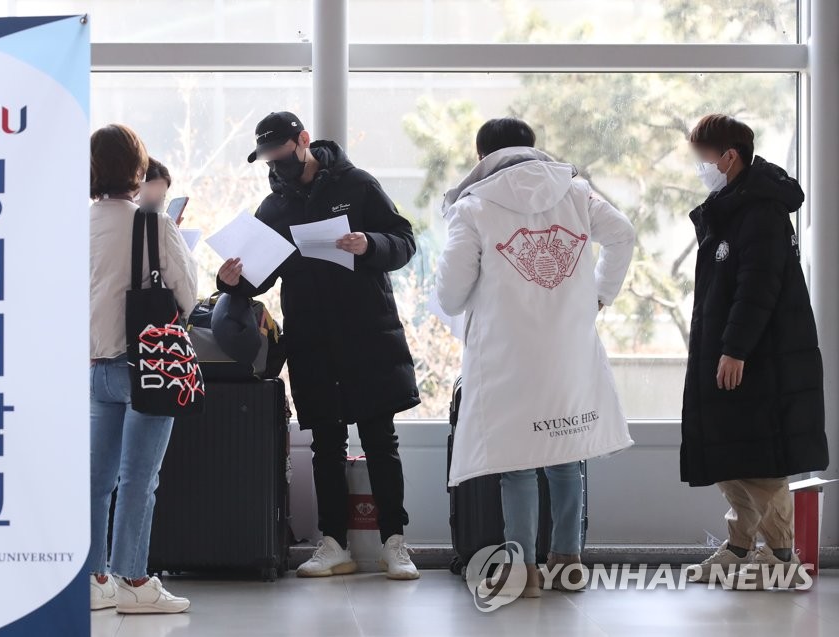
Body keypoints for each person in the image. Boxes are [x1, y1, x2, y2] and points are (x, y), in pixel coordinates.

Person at [217, 112, 421, 580]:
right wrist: (229, 281)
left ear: (303, 141)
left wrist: (369, 243)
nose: (275, 163)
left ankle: (395, 543)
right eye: (267, 157)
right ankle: (333, 544)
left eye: (280, 152)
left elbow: (405, 241)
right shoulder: (273, 208)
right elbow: (258, 277)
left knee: (380, 439)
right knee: (325, 444)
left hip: (367, 333)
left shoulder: (358, 185)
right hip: (310, 339)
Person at [437, 117, 635, 600]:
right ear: (533, 147)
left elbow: (451, 295)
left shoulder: (474, 205)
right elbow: (623, 234)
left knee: (517, 462)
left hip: (507, 351)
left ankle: (521, 570)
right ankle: (568, 563)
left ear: (481, 155)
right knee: (565, 453)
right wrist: (599, 296)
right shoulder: (576, 192)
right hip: (567, 346)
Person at [680, 114, 828, 590]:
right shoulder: (730, 206)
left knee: (761, 458)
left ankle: (782, 556)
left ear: (729, 156)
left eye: (703, 156)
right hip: (727, 349)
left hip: (759, 358)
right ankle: (741, 546)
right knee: (731, 454)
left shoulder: (761, 211)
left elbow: (757, 288)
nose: (699, 165)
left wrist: (735, 349)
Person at [88, 124, 198, 613]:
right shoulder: (153, 223)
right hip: (146, 365)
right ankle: (133, 581)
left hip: (94, 368)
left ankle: (94, 581)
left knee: (96, 482)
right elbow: (188, 296)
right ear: (138, 168)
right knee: (139, 479)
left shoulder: (73, 225)